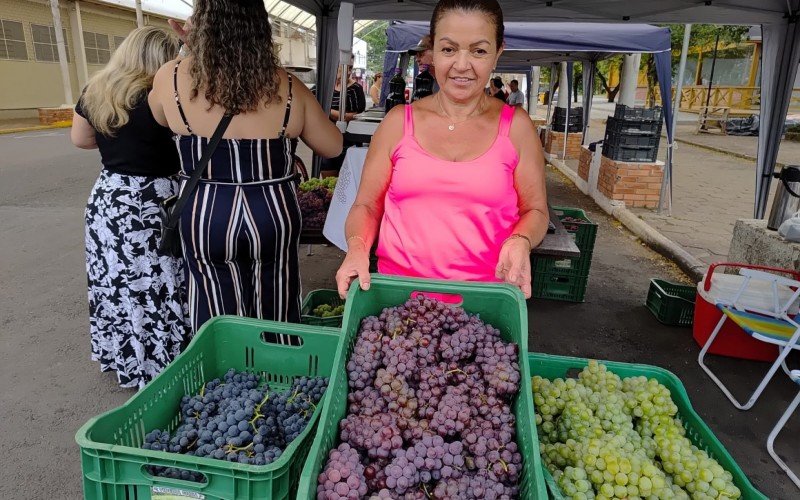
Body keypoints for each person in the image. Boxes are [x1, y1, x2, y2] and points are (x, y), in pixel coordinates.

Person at [149, 0, 342, 331]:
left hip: (206, 211)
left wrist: (191, 52)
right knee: (278, 302)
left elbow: (158, 117)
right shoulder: (289, 86)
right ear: (260, 29)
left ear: (200, 26)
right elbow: (333, 145)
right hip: (271, 211)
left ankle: (224, 374)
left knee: (214, 310)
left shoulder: (172, 76)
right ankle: (280, 371)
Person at [335, 0, 548, 299]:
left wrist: (521, 239)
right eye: (448, 49)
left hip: (488, 305)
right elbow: (367, 206)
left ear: (498, 53)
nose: (462, 65)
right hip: (398, 302)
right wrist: (357, 246)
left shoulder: (517, 128)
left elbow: (536, 210)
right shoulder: (398, 123)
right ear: (431, 52)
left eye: (479, 51)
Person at [70, 26, 188, 389]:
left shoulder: (97, 90)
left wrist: (117, 146)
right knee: (159, 280)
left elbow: (80, 139)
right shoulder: (161, 94)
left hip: (110, 198)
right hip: (155, 201)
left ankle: (125, 356)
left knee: (117, 281)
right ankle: (164, 358)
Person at [321, 64, 367, 176]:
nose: (348, 71)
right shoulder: (325, 86)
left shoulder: (356, 89)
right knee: (328, 181)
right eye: (346, 67)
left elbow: (356, 115)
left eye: (350, 68)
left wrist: (327, 110)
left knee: (346, 179)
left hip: (348, 141)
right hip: (327, 139)